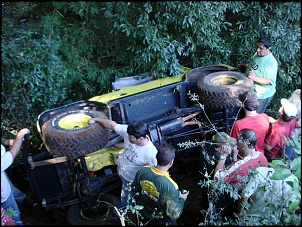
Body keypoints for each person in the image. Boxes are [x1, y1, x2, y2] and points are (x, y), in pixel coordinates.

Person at [87, 118, 158, 212]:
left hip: (131, 180)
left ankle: (123, 213)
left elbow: (156, 174)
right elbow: (112, 125)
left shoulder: (151, 153)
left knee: (126, 198)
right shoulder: (129, 132)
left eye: (131, 137)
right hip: (122, 170)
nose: (127, 137)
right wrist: (96, 119)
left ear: (140, 138)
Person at [212, 128, 268, 220]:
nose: (235, 141)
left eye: (237, 140)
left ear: (244, 145)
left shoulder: (240, 166)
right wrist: (235, 156)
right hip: (257, 200)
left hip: (237, 201)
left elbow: (216, 177)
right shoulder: (262, 157)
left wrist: (223, 155)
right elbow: (238, 172)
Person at [131, 141, 189, 225]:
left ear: (156, 157)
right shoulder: (171, 186)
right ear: (171, 162)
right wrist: (182, 199)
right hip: (162, 220)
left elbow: (135, 189)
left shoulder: (142, 170)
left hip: (145, 214)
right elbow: (173, 213)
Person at [1, 128, 30, 225]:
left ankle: (23, 199)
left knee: (8, 186)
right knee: (12, 216)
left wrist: (11, 142)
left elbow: (4, 142)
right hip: (4, 199)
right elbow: (13, 152)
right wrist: (20, 135)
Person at [244, 37, 278, 114]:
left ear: (268, 48)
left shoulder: (271, 62)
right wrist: (246, 66)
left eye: (261, 48)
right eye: (257, 47)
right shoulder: (257, 54)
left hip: (262, 96)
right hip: (252, 90)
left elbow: (270, 81)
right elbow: (255, 66)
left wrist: (254, 78)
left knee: (254, 115)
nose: (257, 50)